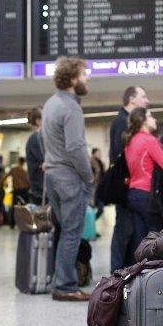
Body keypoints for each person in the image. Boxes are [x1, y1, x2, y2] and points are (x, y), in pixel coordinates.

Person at [41, 57, 93, 302]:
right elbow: (75, 147)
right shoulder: (71, 107)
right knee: (72, 233)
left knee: (63, 232)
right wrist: (89, 176)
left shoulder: (50, 103)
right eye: (84, 74)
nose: (88, 78)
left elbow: (46, 141)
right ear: (73, 78)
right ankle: (64, 286)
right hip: (69, 178)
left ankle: (58, 280)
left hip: (52, 175)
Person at [110, 85, 150, 272]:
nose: (146, 100)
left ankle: (125, 269)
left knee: (130, 230)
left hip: (129, 185)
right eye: (143, 96)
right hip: (125, 185)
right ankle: (117, 273)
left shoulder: (125, 121)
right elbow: (122, 156)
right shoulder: (122, 122)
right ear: (132, 99)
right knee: (123, 230)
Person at [123, 107, 163, 259]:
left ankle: (138, 273)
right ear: (142, 120)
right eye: (150, 116)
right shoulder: (149, 140)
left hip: (133, 193)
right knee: (156, 236)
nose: (154, 119)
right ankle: (155, 274)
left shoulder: (129, 142)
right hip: (147, 194)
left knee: (139, 237)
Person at [25, 107, 44, 205]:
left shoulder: (41, 138)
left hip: (44, 188)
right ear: (38, 121)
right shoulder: (35, 140)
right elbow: (46, 161)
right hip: (40, 190)